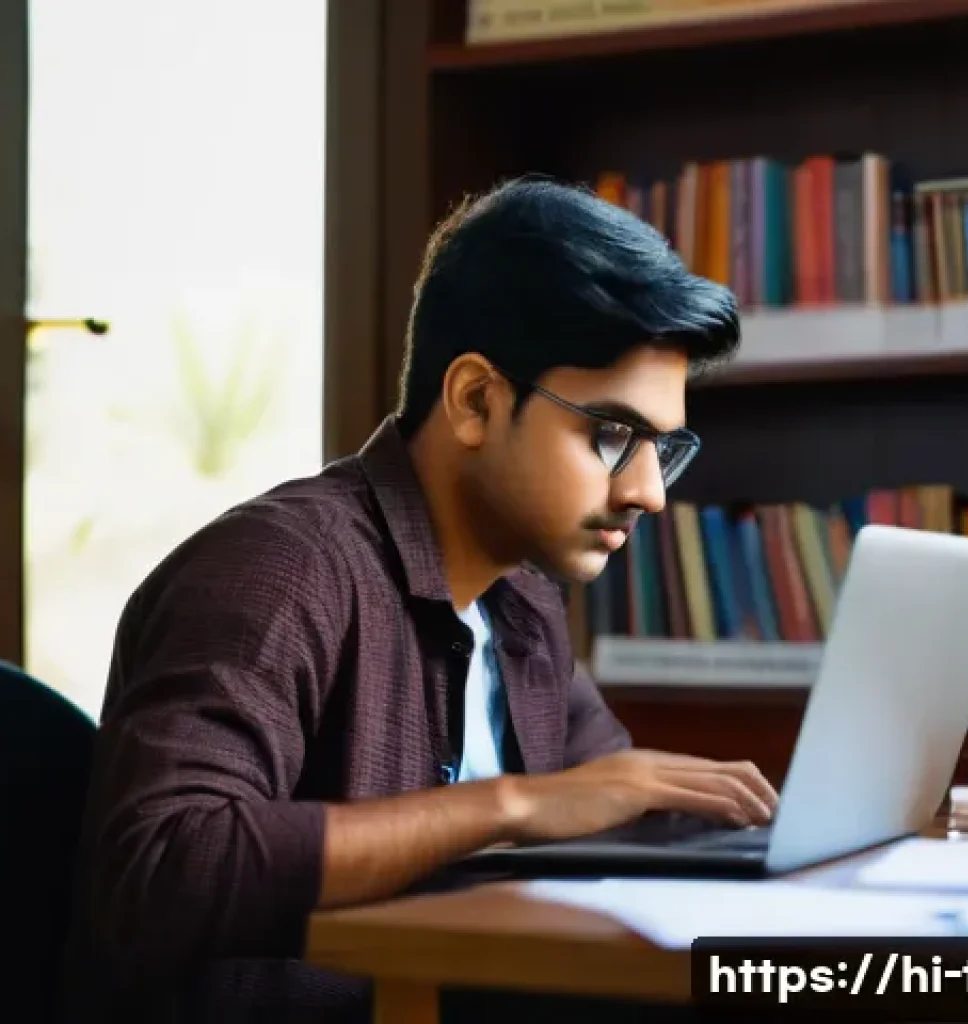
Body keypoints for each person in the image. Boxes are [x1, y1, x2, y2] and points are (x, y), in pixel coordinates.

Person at [59, 177, 778, 1023]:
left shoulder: (524, 601)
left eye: (664, 446)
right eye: (612, 435)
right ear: (476, 401)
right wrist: (510, 807)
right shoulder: (277, 570)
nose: (650, 493)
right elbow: (159, 869)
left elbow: (611, 813)